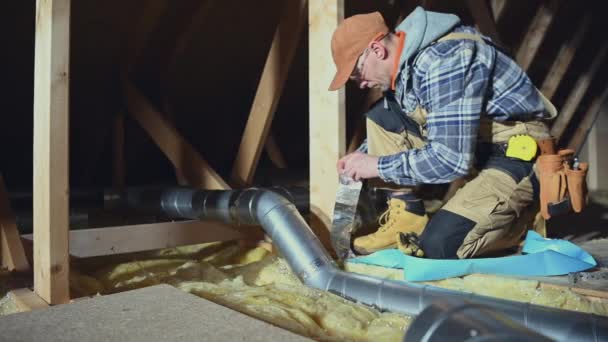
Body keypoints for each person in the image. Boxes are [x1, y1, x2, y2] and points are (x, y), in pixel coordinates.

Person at [330, 7, 561, 259]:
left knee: (439, 245)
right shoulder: (407, 66)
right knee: (381, 114)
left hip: (516, 152)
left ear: (377, 50)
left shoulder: (445, 60)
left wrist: (376, 166)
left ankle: (521, 223)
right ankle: (408, 216)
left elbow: (450, 160)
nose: (360, 83)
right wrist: (359, 158)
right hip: (477, 150)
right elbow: (397, 126)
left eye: (356, 73)